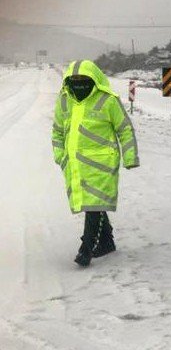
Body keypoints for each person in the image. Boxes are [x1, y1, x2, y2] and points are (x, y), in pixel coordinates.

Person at [52, 60, 139, 267]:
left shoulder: (108, 100)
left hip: (102, 164)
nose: (79, 83)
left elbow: (124, 129)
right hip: (75, 164)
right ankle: (107, 242)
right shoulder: (64, 100)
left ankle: (87, 248)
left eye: (84, 79)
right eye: (74, 80)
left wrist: (130, 157)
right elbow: (57, 131)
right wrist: (60, 155)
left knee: (94, 204)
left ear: (94, 79)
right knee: (93, 203)